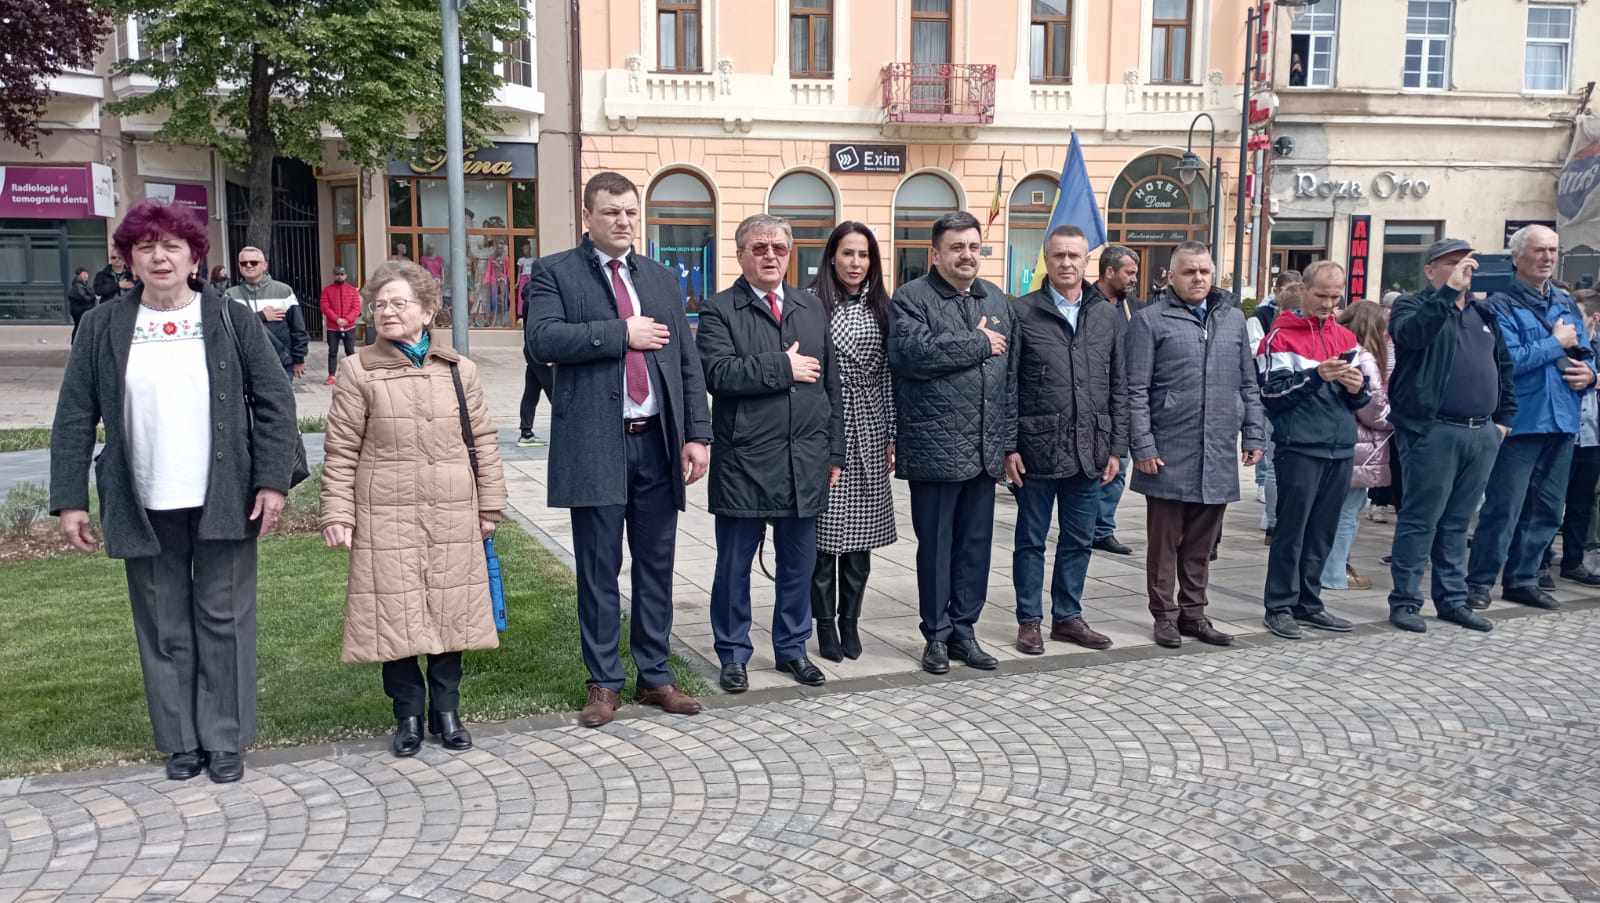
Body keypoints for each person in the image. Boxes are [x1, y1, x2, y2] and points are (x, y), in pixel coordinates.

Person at [49, 199, 300, 784]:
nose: (158, 257)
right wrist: (71, 499)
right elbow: (74, 416)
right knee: (163, 624)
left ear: (194, 258)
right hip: (142, 498)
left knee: (223, 618)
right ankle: (181, 740)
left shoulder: (232, 320)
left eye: (172, 246)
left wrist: (272, 482)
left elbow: (274, 402)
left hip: (225, 494)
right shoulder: (102, 325)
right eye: (145, 247)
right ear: (129, 259)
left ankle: (225, 738)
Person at [526, 171, 710, 726]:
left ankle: (655, 676)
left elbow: (686, 362)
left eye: (631, 211)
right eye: (611, 212)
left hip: (656, 442)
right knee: (599, 568)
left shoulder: (658, 277)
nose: (624, 221)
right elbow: (542, 340)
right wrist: (618, 333)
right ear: (588, 216)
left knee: (657, 565)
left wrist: (697, 433)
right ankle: (604, 681)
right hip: (596, 444)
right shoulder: (555, 272)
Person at [320, 261, 505, 758]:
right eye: (379, 304)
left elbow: (483, 441)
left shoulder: (458, 370)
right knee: (392, 616)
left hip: (452, 508)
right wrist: (338, 512)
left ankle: (447, 711)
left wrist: (490, 503)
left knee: (451, 611)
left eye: (399, 303)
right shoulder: (358, 369)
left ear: (426, 310)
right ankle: (407, 715)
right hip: (385, 511)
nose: (387, 311)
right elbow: (341, 450)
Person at [698, 215, 844, 689]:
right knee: (734, 566)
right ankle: (734, 653)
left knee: (798, 564)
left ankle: (791, 648)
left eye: (779, 248)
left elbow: (831, 385)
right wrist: (781, 366)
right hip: (745, 461)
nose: (770, 256)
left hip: (805, 459)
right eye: (759, 247)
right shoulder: (720, 310)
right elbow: (717, 374)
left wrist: (834, 452)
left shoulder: (811, 307)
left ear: (790, 253)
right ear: (740, 254)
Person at [889, 211, 1016, 675]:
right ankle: (936, 636)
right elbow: (912, 354)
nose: (967, 255)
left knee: (975, 547)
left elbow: (1012, 381)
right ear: (935, 253)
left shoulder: (998, 299)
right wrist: (978, 342)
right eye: (956, 247)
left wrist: (1009, 443)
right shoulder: (911, 298)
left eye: (973, 246)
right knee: (937, 547)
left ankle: (965, 631)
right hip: (934, 449)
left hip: (984, 450)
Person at [1125, 241, 1265, 648]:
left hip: (1218, 447)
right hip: (1170, 449)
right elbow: (1136, 389)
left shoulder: (1233, 319)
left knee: (1203, 543)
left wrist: (1254, 433)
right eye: (1189, 271)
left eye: (1204, 271)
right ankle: (1164, 615)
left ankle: (1193, 613)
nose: (1198, 278)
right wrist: (1144, 446)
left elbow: (1247, 383)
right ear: (1171, 276)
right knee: (1165, 543)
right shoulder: (1150, 321)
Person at [1006, 225, 1128, 653]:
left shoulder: (1107, 315)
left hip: (1090, 451)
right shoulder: (1022, 312)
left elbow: (1119, 386)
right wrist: (1009, 446)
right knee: (1031, 541)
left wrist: (1117, 447)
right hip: (1037, 449)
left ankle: (1068, 616)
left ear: (1086, 261)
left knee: (1079, 539)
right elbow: (1008, 385)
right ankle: (1029, 619)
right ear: (1047, 259)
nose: (1066, 263)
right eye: (1058, 255)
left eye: (1074, 256)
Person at [1385, 238, 1514, 633]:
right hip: (1433, 429)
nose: (1464, 269)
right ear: (1430, 270)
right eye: (1453, 263)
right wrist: (1448, 293)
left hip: (1481, 431)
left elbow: (1503, 366)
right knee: (1420, 520)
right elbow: (1413, 337)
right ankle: (1406, 601)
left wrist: (1504, 417)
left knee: (1458, 522)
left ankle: (1452, 600)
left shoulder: (1484, 314)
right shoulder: (1412, 306)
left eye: (1468, 263)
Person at [1466, 224, 1596, 609]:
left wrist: (1589, 375)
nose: (1548, 258)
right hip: (1523, 418)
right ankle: (1479, 581)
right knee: (1504, 507)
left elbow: (1585, 353)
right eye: (1539, 250)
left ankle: (1522, 579)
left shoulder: (1566, 303)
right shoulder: (1499, 305)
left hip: (1563, 419)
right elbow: (1507, 362)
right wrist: (1554, 343)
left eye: (1553, 250)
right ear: (1517, 257)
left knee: (1549, 508)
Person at [1256, 260, 1367, 640]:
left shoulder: (1346, 338)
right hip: (1299, 444)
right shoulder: (1279, 336)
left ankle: (1310, 602)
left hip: (1339, 444)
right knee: (1293, 530)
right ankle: (1280, 605)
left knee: (1322, 531)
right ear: (1304, 291)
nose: (1328, 304)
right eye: (1321, 295)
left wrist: (1357, 389)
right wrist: (1314, 376)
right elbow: (1271, 395)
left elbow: (1361, 398)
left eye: (1336, 297)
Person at [809, 221, 897, 663]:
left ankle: (850, 621)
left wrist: (891, 434)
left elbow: (888, 375)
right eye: (847, 254)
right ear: (831, 257)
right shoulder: (811, 304)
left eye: (863, 255)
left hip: (872, 424)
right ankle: (824, 624)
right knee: (826, 539)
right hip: (827, 422)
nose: (856, 263)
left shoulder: (883, 307)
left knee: (861, 539)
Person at [1321, 300, 1394, 591]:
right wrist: (1393, 418)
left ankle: (1327, 570)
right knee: (1347, 515)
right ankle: (1334, 574)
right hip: (1361, 449)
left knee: (1330, 513)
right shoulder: (1365, 359)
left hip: (1337, 443)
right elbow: (1373, 408)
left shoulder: (1337, 351)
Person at [1543, 290, 1600, 584]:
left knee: (1581, 502)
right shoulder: (1564, 345)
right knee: (1549, 500)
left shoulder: (1595, 346)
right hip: (1561, 430)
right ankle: (1539, 562)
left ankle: (1573, 561)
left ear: (1593, 318)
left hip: (1591, 437)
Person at [1091, 244, 1139, 556]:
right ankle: (1085, 526)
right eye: (1129, 272)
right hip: (1093, 400)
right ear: (1109, 271)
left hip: (1124, 401)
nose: (1134, 278)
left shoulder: (1132, 307)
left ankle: (1101, 529)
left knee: (1118, 466)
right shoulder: (1085, 303)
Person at [1248, 270, 1301, 523]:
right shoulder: (1261, 316)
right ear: (1278, 289)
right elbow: (1253, 350)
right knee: (1271, 460)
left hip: (1298, 402)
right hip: (1267, 391)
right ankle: (1272, 521)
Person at [226, 247, 308, 381]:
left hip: (279, 362)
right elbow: (228, 328)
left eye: (253, 262)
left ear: (264, 265)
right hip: (245, 365)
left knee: (281, 402)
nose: (248, 265)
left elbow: (298, 328)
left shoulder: (284, 291)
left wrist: (299, 359)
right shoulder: (230, 295)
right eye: (243, 263)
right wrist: (261, 316)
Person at [319, 266, 362, 386]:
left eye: (342, 274)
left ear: (345, 276)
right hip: (333, 327)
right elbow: (324, 306)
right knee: (332, 351)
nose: (340, 276)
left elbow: (356, 308)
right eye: (337, 274)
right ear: (334, 276)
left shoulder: (352, 290)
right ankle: (332, 375)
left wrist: (347, 319)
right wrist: (336, 319)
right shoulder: (327, 290)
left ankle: (353, 375)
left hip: (349, 326)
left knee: (350, 351)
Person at [67, 267, 95, 341]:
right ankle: (76, 343)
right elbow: (85, 298)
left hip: (83, 309)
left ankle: (77, 343)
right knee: (79, 327)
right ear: (79, 275)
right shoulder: (78, 286)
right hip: (79, 311)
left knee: (80, 327)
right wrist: (92, 297)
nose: (86, 275)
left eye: (87, 274)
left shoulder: (84, 284)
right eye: (84, 274)